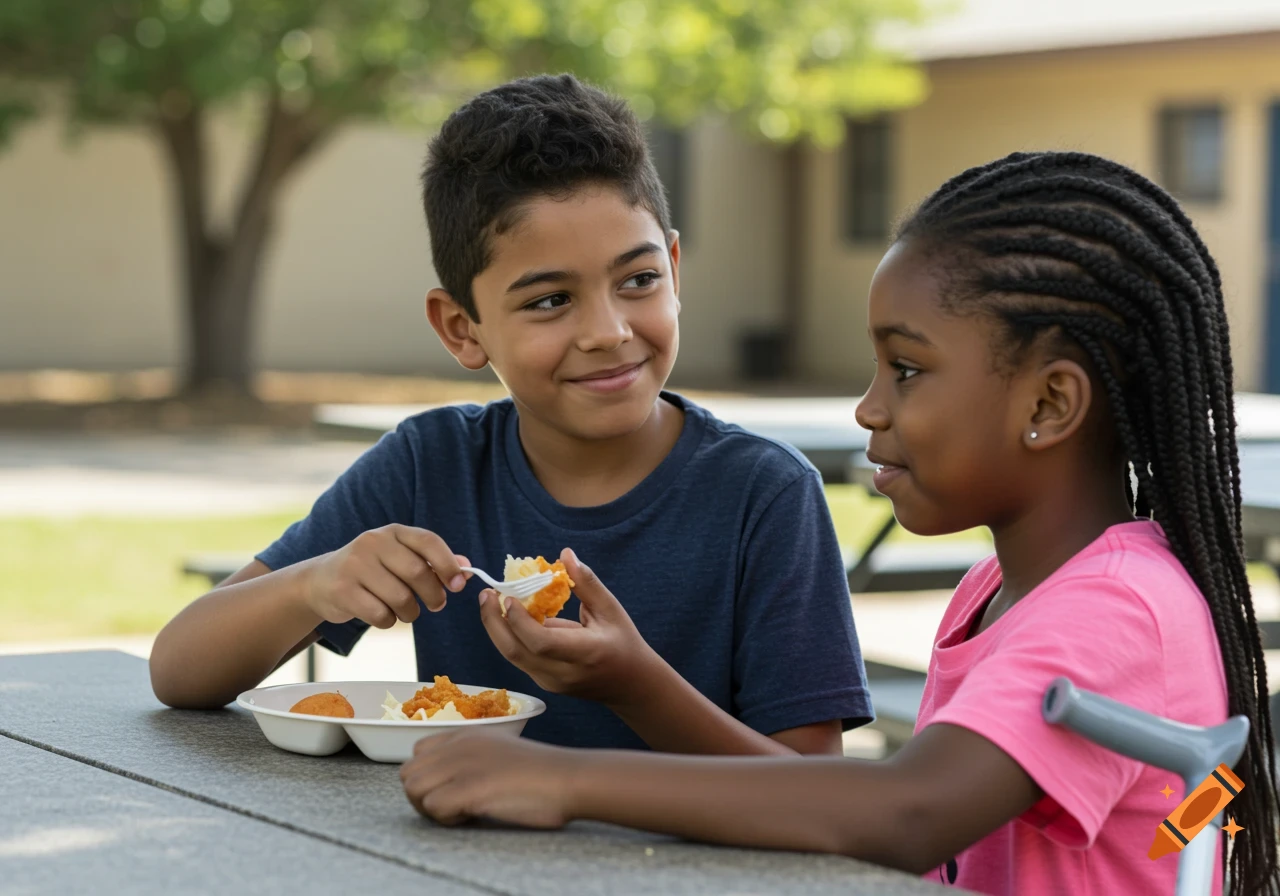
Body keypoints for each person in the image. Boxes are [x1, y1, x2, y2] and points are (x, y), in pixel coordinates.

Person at [399, 151, 1280, 896]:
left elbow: (907, 815)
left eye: (906, 369)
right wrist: (636, 683)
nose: (868, 408)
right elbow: (837, 806)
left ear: (1049, 402)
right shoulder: (1004, 592)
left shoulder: (1114, 611)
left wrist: (564, 777)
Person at [148, 73, 872, 757]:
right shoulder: (431, 467)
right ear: (462, 328)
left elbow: (815, 793)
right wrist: (315, 584)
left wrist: (634, 688)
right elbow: (180, 671)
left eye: (639, 280)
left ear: (675, 274)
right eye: (550, 300)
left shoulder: (764, 496)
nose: (609, 330)